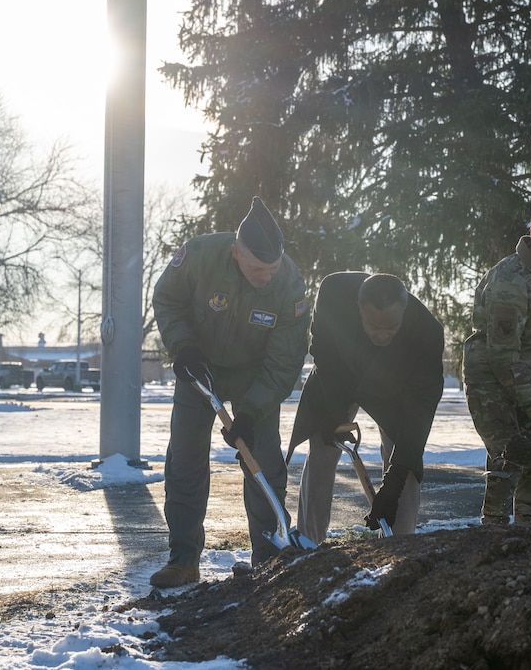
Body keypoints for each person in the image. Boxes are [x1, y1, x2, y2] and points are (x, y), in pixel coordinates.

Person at [149, 197, 311, 588]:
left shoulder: (289, 284)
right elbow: (167, 298)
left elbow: (285, 361)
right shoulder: (201, 255)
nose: (266, 277)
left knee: (263, 461)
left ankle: (269, 558)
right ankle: (184, 559)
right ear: (237, 252)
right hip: (199, 371)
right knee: (185, 460)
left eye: (271, 269)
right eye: (257, 269)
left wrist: (251, 413)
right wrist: (183, 346)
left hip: (257, 378)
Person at [286, 272, 444, 540]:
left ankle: (399, 549)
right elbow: (323, 349)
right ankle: (310, 545)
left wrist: (392, 484)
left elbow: (418, 416)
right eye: (374, 326)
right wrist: (334, 409)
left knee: (405, 471)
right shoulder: (334, 292)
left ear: (404, 312)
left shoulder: (427, 333)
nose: (382, 334)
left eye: (391, 327)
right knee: (323, 447)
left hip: (395, 390)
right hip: (338, 375)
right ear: (359, 309)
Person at [463, 198, 531, 524]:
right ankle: (494, 535)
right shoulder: (510, 281)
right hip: (489, 371)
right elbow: (502, 356)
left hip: (522, 372)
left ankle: (530, 532)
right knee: (510, 453)